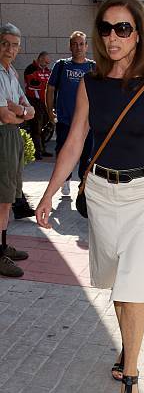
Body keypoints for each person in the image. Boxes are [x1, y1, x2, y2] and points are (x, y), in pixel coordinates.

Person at [36, 0, 144, 393]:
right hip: (103, 195)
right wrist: (51, 191)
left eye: (122, 28)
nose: (112, 37)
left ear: (138, 33)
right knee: (113, 278)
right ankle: (129, 342)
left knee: (130, 283)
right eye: (106, 28)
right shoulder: (91, 84)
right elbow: (74, 143)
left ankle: (131, 378)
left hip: (143, 193)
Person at [0, 23, 35, 277]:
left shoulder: (10, 72)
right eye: (5, 43)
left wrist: (19, 110)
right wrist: (18, 112)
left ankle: (2, 245)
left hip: (12, 136)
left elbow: (28, 108)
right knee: (2, 199)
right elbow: (4, 114)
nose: (10, 49)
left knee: (8, 196)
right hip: (2, 136)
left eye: (14, 45)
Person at [46, 32, 95, 196]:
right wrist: (50, 111)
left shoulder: (93, 68)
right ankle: (65, 181)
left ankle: (83, 184)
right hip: (65, 120)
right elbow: (50, 89)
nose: (78, 47)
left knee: (87, 155)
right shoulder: (61, 66)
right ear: (70, 46)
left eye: (81, 44)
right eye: (75, 44)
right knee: (63, 152)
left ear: (86, 46)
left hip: (87, 123)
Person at [24, 51, 53, 160]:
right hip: (34, 102)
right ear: (40, 59)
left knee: (47, 126)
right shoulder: (31, 68)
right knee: (36, 127)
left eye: (48, 63)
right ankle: (37, 151)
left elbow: (50, 84)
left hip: (45, 102)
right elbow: (36, 83)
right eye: (45, 62)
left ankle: (43, 148)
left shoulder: (47, 70)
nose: (46, 65)